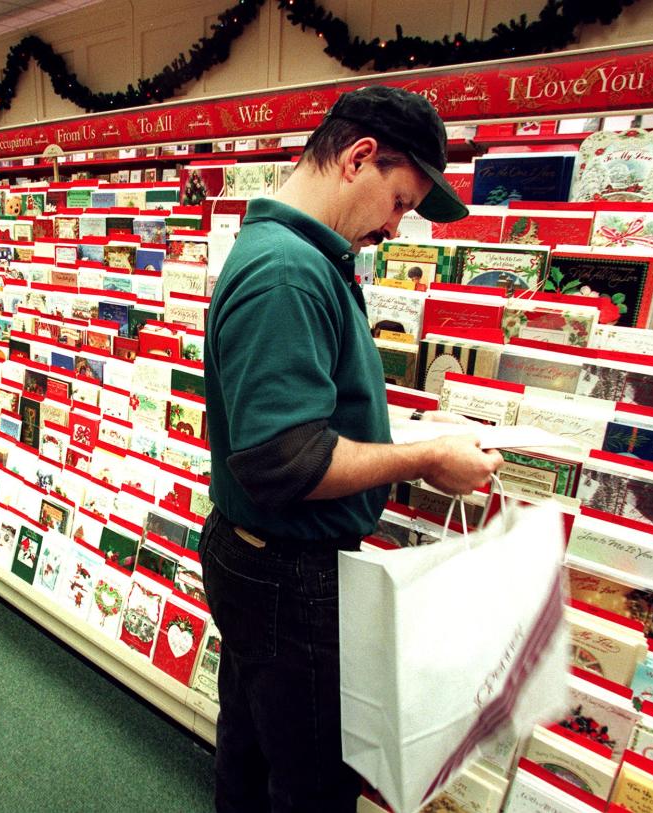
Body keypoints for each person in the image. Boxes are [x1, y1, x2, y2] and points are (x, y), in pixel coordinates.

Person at [201, 86, 505, 813]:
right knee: (313, 782)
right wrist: (425, 458)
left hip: (262, 558)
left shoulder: (294, 253)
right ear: (360, 157)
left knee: (250, 746)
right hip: (288, 571)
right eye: (399, 201)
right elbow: (287, 460)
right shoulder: (286, 271)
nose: (395, 225)